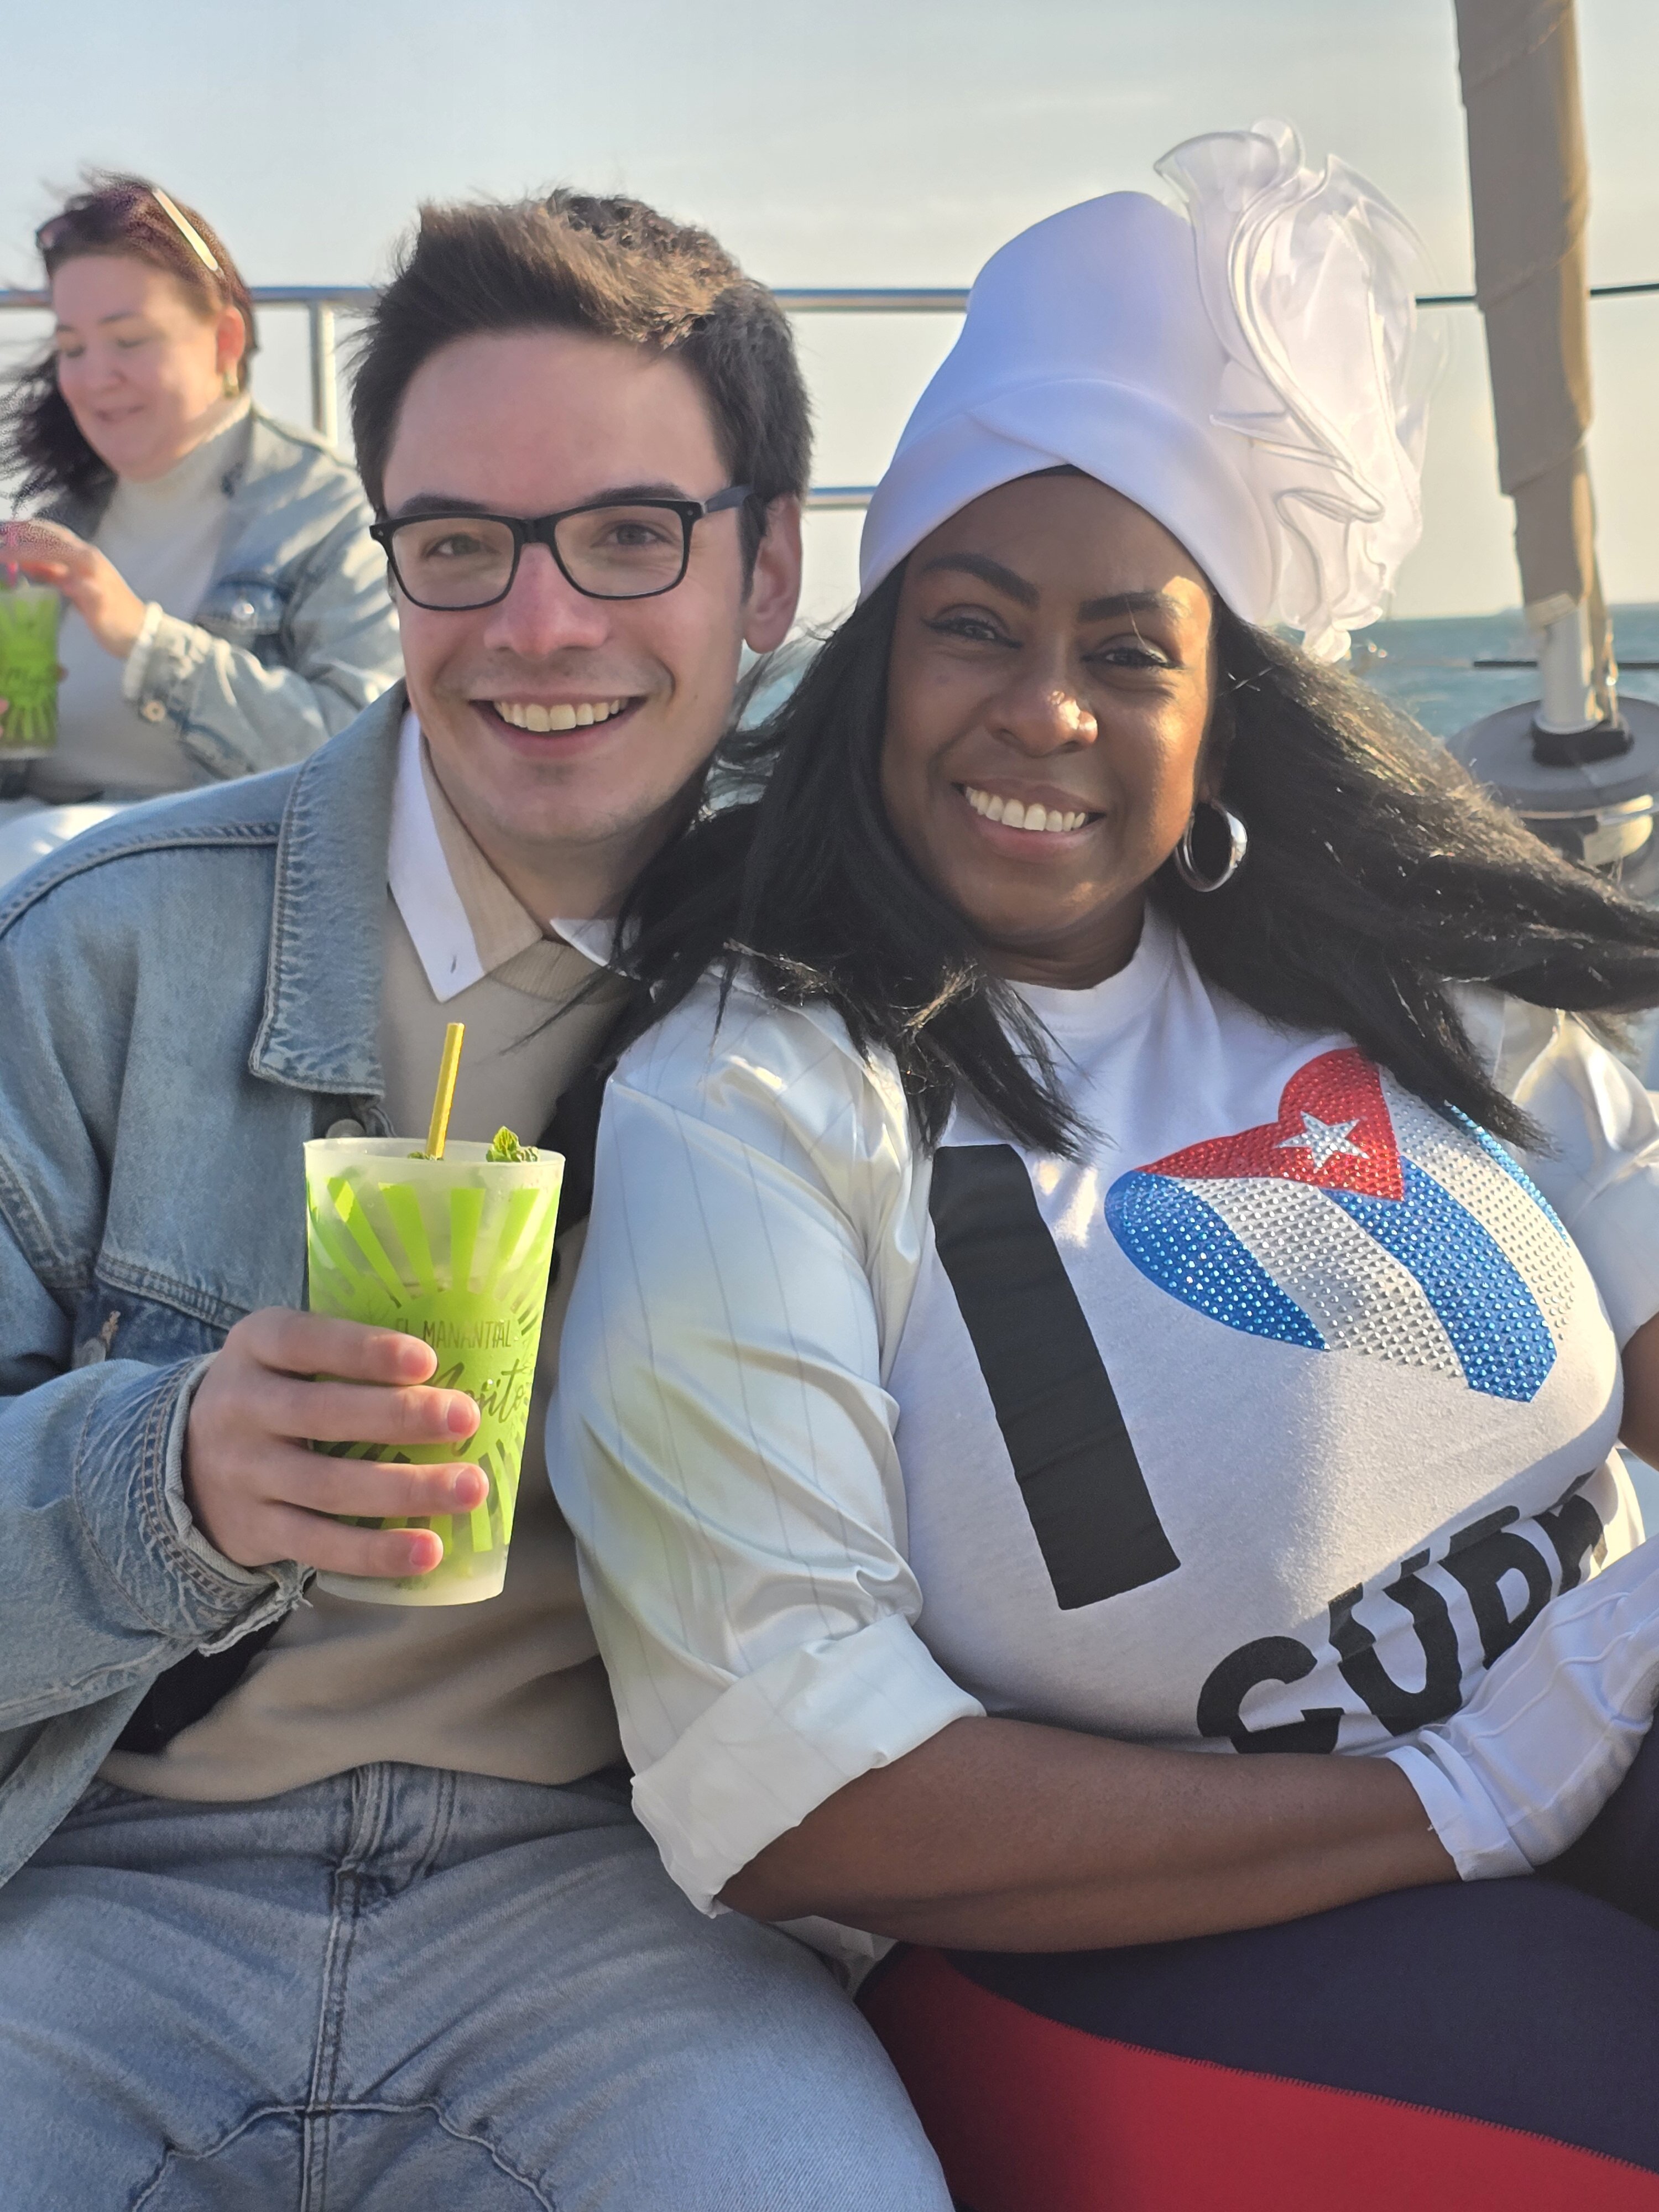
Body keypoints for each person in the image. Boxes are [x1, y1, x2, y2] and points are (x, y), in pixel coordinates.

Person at [551, 125, 1659, 2204]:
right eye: (971, 625)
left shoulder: (1397, 972)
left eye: (1127, 650)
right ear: (879, 659)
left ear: (1217, 717)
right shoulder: (758, 1090)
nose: (1041, 708)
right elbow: (796, 1779)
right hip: (1171, 1930)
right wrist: (1459, 1787)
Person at [0, 189, 952, 2209]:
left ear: (768, 560)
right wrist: (163, 1479)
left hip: (619, 1901)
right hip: (103, 1882)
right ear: (394, 565)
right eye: (457, 547)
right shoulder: (98, 952)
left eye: (629, 534)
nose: (538, 625)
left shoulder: (876, 982)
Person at [0, 174, 401, 801]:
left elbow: (364, 757)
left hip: (194, 881)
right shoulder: (54, 530)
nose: (93, 377)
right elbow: (16, 760)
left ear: (226, 341)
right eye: (72, 348)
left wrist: (144, 641)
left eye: (129, 340)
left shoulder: (329, 514)